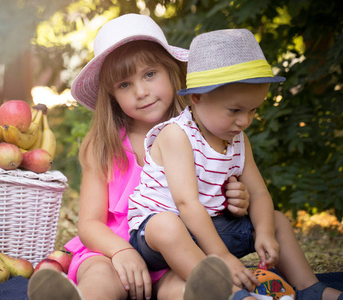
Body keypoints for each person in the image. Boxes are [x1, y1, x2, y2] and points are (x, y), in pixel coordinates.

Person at [27, 14, 252, 300]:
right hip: (112, 249)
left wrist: (236, 200)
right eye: (124, 85)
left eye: (149, 74)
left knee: (187, 286)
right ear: (112, 95)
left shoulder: (201, 134)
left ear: (171, 71)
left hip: (175, 252)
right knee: (99, 276)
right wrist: (121, 251)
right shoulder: (104, 145)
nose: (141, 92)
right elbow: (90, 223)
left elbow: (211, 199)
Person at [127, 28, 343, 300]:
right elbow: (187, 205)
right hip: (158, 240)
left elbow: (260, 193)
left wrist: (264, 232)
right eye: (235, 110)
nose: (245, 121)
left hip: (211, 227)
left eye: (253, 110)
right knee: (166, 225)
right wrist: (222, 256)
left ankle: (311, 289)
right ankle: (228, 292)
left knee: (275, 219)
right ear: (197, 98)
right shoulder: (177, 135)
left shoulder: (238, 138)